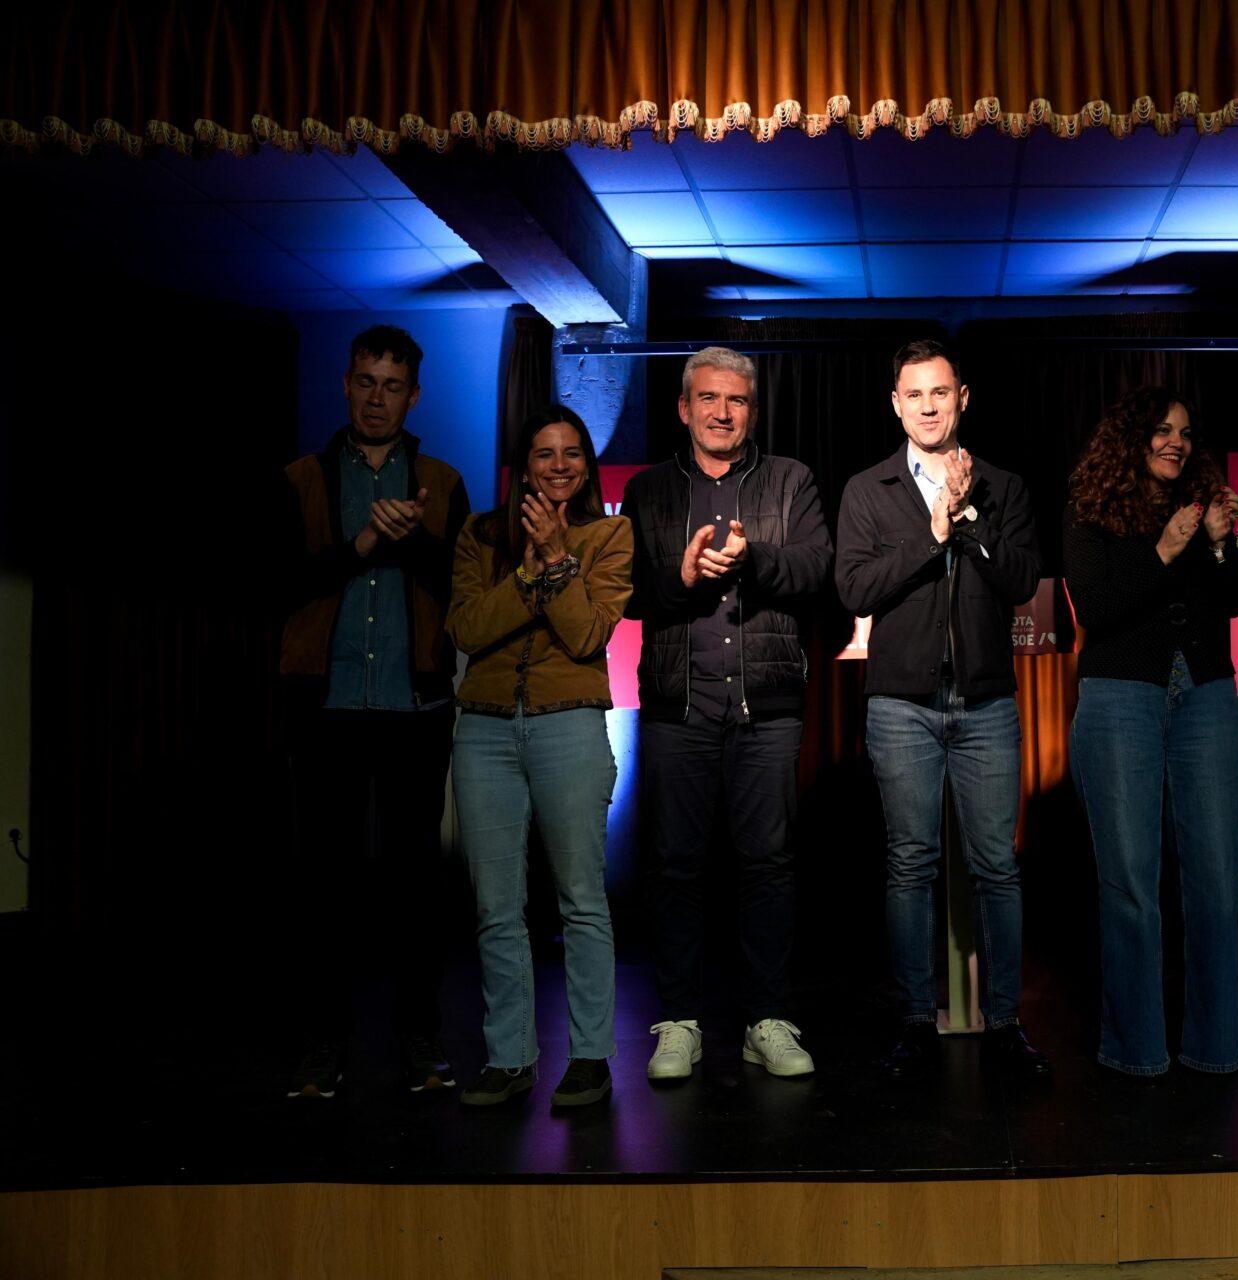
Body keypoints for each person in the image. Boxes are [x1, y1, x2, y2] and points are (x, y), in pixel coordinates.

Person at [835, 339, 1051, 1078]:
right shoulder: (869, 489)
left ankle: (1006, 1022)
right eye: (914, 395)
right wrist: (932, 533)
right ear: (896, 405)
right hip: (902, 705)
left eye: (940, 392)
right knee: (910, 864)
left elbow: (1021, 581)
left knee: (997, 866)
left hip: (986, 702)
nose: (928, 406)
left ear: (963, 398)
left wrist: (969, 521)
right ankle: (913, 1022)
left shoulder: (1002, 486)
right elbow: (854, 589)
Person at [621, 346, 833, 1081]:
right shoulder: (647, 489)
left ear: (752, 411)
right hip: (677, 709)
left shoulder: (791, 479)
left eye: (735, 400)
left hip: (767, 708)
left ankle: (765, 1019)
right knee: (675, 866)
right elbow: (627, 592)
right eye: (707, 399)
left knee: (768, 865)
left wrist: (755, 559)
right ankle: (680, 1020)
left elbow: (817, 568)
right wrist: (679, 576)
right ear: (684, 408)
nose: (721, 412)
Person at [280, 324, 470, 1101]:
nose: (376, 399)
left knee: (414, 885)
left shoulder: (441, 482)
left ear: (413, 396)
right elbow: (278, 585)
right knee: (324, 885)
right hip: (324, 706)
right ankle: (322, 1045)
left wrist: (411, 539)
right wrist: (362, 542)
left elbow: (462, 590)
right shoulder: (301, 479)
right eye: (365, 382)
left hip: (413, 707)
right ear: (346, 384)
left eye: (392, 386)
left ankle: (420, 1041)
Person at [447, 405, 632, 1108]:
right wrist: (527, 581)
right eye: (544, 454)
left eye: (571, 453)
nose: (559, 466)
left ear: (587, 465)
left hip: (568, 722)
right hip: (485, 728)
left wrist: (556, 559)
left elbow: (585, 636)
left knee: (581, 899)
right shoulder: (479, 534)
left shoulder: (609, 534)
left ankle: (589, 1056)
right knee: (496, 905)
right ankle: (509, 1057)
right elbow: (466, 628)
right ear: (523, 468)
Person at [1062, 386, 1238, 1077]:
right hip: (1121, 694)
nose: (1177, 442)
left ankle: (1213, 1046)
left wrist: (1221, 548)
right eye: (1163, 430)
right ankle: (1136, 1049)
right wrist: (1164, 551)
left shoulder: (1203, 506)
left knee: (1218, 881)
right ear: (1132, 438)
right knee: (1132, 885)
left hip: (1206, 692)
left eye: (1186, 432)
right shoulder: (1091, 507)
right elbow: (1095, 606)